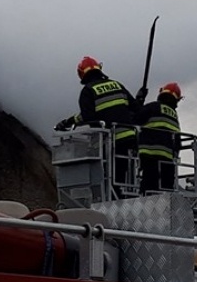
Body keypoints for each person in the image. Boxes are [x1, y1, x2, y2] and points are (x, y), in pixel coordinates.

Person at [55, 56, 145, 196]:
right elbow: (137, 110)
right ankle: (126, 197)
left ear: (81, 73)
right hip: (130, 139)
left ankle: (116, 200)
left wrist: (67, 123)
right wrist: (139, 99)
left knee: (109, 178)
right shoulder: (117, 85)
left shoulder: (88, 91)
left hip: (110, 141)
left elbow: (88, 117)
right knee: (127, 177)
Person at [136, 82, 183, 195]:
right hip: (167, 157)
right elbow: (178, 140)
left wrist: (138, 100)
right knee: (167, 188)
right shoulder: (174, 114)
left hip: (149, 154)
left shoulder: (152, 107)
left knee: (149, 185)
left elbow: (134, 119)